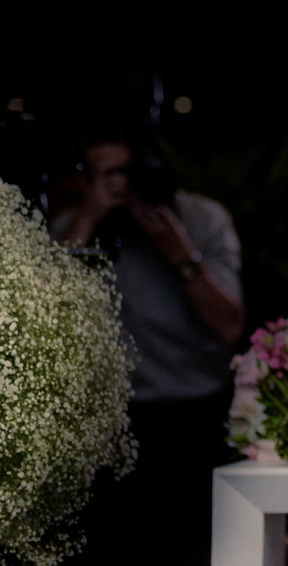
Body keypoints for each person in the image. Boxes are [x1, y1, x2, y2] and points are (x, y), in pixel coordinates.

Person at [51, 124, 244, 565]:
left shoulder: (200, 219)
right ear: (85, 179)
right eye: (107, 174)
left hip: (196, 414)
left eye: (128, 170)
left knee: (196, 547)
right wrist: (87, 219)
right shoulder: (73, 229)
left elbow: (230, 326)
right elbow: (43, 316)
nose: (122, 184)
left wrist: (179, 254)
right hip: (109, 423)